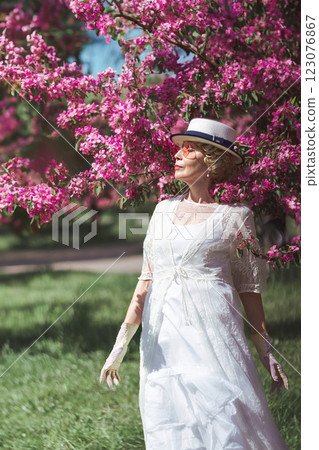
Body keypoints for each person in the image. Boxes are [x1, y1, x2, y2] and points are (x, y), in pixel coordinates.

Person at [100, 118, 289, 449]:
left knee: (225, 418)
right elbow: (146, 281)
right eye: (179, 147)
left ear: (212, 158)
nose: (177, 154)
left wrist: (266, 352)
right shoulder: (162, 211)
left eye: (189, 148)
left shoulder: (236, 216)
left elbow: (249, 287)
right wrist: (120, 347)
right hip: (165, 337)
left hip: (215, 336)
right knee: (170, 418)